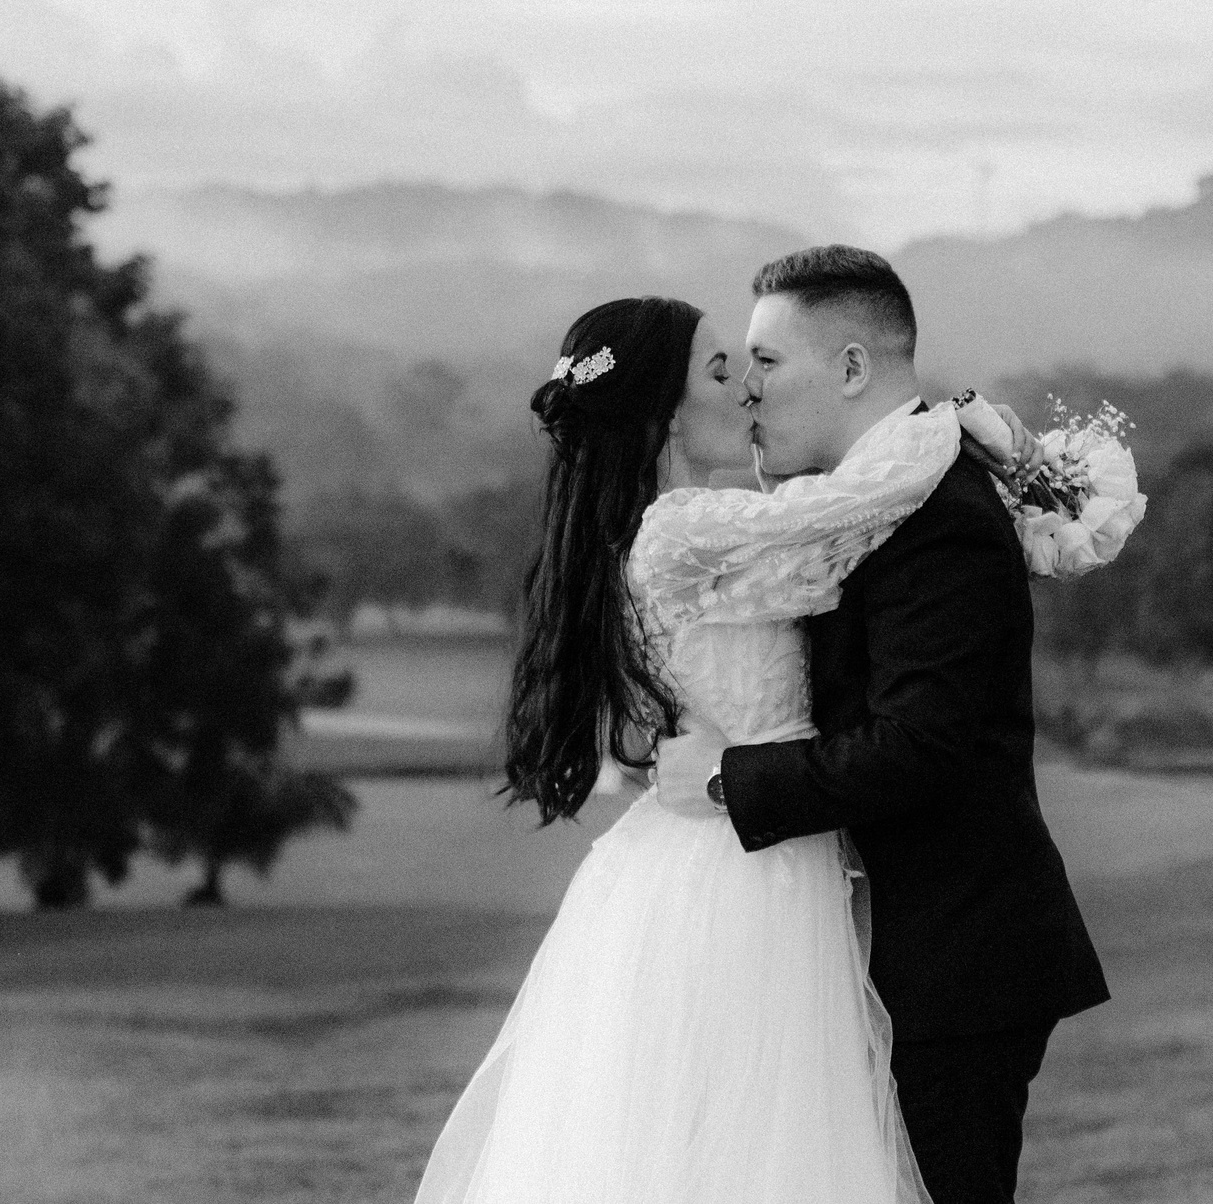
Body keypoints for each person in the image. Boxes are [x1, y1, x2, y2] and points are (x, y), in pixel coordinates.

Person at [414, 291, 1004, 1202]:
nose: (748, 392)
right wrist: (955, 428)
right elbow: (858, 508)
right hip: (742, 870)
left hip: (725, 844)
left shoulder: (683, 524)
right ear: (664, 411)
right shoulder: (684, 529)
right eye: (723, 370)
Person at [656, 245, 1109, 1204]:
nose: (751, 395)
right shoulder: (872, 505)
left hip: (951, 961)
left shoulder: (936, 514)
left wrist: (725, 776)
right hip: (893, 953)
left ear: (854, 367)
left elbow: (918, 746)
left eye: (769, 364)